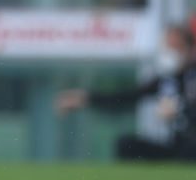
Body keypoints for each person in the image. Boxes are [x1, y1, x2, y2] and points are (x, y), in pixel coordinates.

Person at [58, 24, 196, 161]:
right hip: (176, 148)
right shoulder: (166, 80)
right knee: (126, 144)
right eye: (168, 48)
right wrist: (86, 98)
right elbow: (126, 97)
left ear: (190, 49)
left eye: (176, 48)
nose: (170, 53)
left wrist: (180, 109)